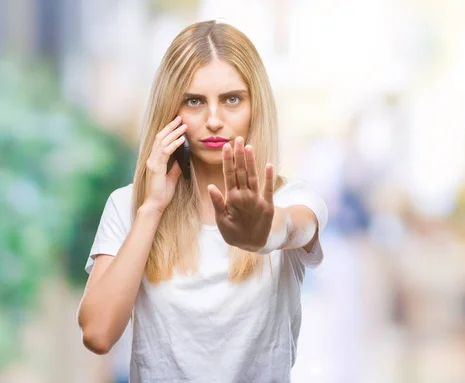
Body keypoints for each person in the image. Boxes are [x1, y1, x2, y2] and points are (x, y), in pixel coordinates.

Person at [76, 20, 328, 383]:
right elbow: (98, 334)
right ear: (170, 111)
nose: (213, 120)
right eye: (194, 101)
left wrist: (265, 232)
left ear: (255, 106)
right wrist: (150, 210)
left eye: (232, 99)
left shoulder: (293, 198)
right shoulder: (128, 206)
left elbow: (293, 226)